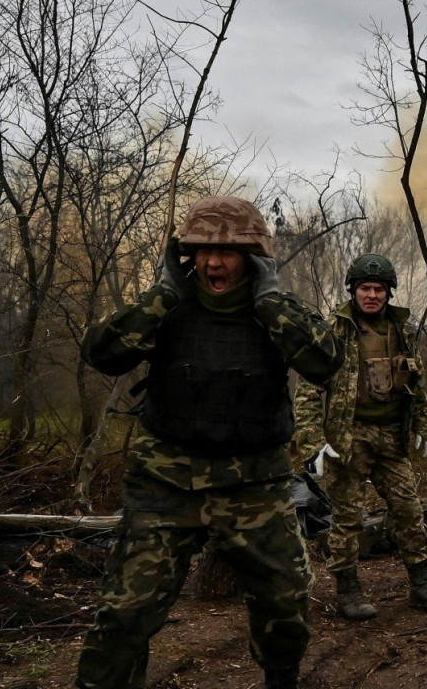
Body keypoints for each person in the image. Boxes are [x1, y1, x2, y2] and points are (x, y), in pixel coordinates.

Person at [75, 197, 343, 689]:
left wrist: (269, 303)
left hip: (255, 482)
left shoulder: (276, 314)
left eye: (228, 252)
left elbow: (325, 363)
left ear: (255, 259)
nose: (213, 262)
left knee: (285, 604)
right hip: (166, 481)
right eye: (200, 250)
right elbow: (102, 354)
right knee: (125, 613)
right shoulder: (165, 308)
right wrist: (161, 296)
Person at [293, 253, 427, 621]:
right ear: (353, 290)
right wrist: (314, 443)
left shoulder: (401, 329)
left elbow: (417, 379)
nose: (371, 295)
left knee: (409, 511)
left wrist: (421, 425)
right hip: (349, 439)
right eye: (365, 288)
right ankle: (348, 592)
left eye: (378, 289)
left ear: (388, 293)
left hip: (392, 436)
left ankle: (422, 584)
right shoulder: (336, 330)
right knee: (347, 518)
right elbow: (307, 389)